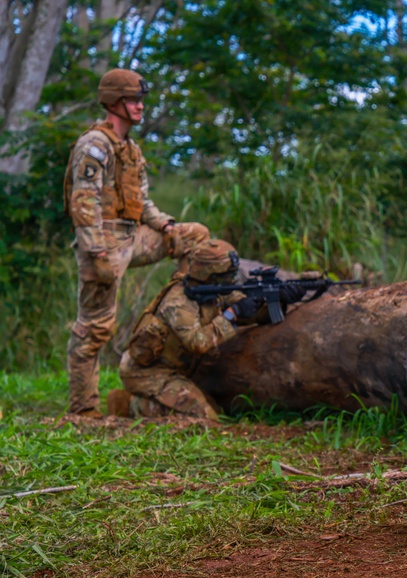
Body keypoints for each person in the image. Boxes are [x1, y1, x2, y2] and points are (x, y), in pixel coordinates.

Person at [64, 68, 207, 417]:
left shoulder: (129, 148)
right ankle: (82, 409)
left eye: (141, 99)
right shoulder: (95, 146)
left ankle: (180, 317)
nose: (140, 106)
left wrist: (167, 225)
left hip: (133, 235)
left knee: (196, 237)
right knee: (95, 327)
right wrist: (96, 251)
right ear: (114, 102)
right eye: (132, 100)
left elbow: (141, 202)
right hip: (104, 241)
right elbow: (84, 204)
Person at [108, 239, 261, 420]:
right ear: (210, 275)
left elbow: (242, 304)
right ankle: (128, 404)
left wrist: (270, 299)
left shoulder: (211, 289)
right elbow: (198, 342)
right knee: (204, 418)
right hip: (146, 373)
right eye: (226, 275)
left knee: (218, 411)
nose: (231, 280)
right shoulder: (179, 303)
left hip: (178, 369)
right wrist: (231, 314)